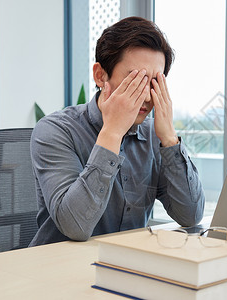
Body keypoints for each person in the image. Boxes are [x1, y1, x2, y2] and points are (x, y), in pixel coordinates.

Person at [29, 17, 205, 246]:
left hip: (126, 266)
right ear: (100, 75)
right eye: (135, 80)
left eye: (153, 83)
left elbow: (190, 216)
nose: (145, 95)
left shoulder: (154, 136)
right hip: (59, 269)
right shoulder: (55, 130)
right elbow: (75, 227)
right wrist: (112, 133)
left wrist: (170, 139)